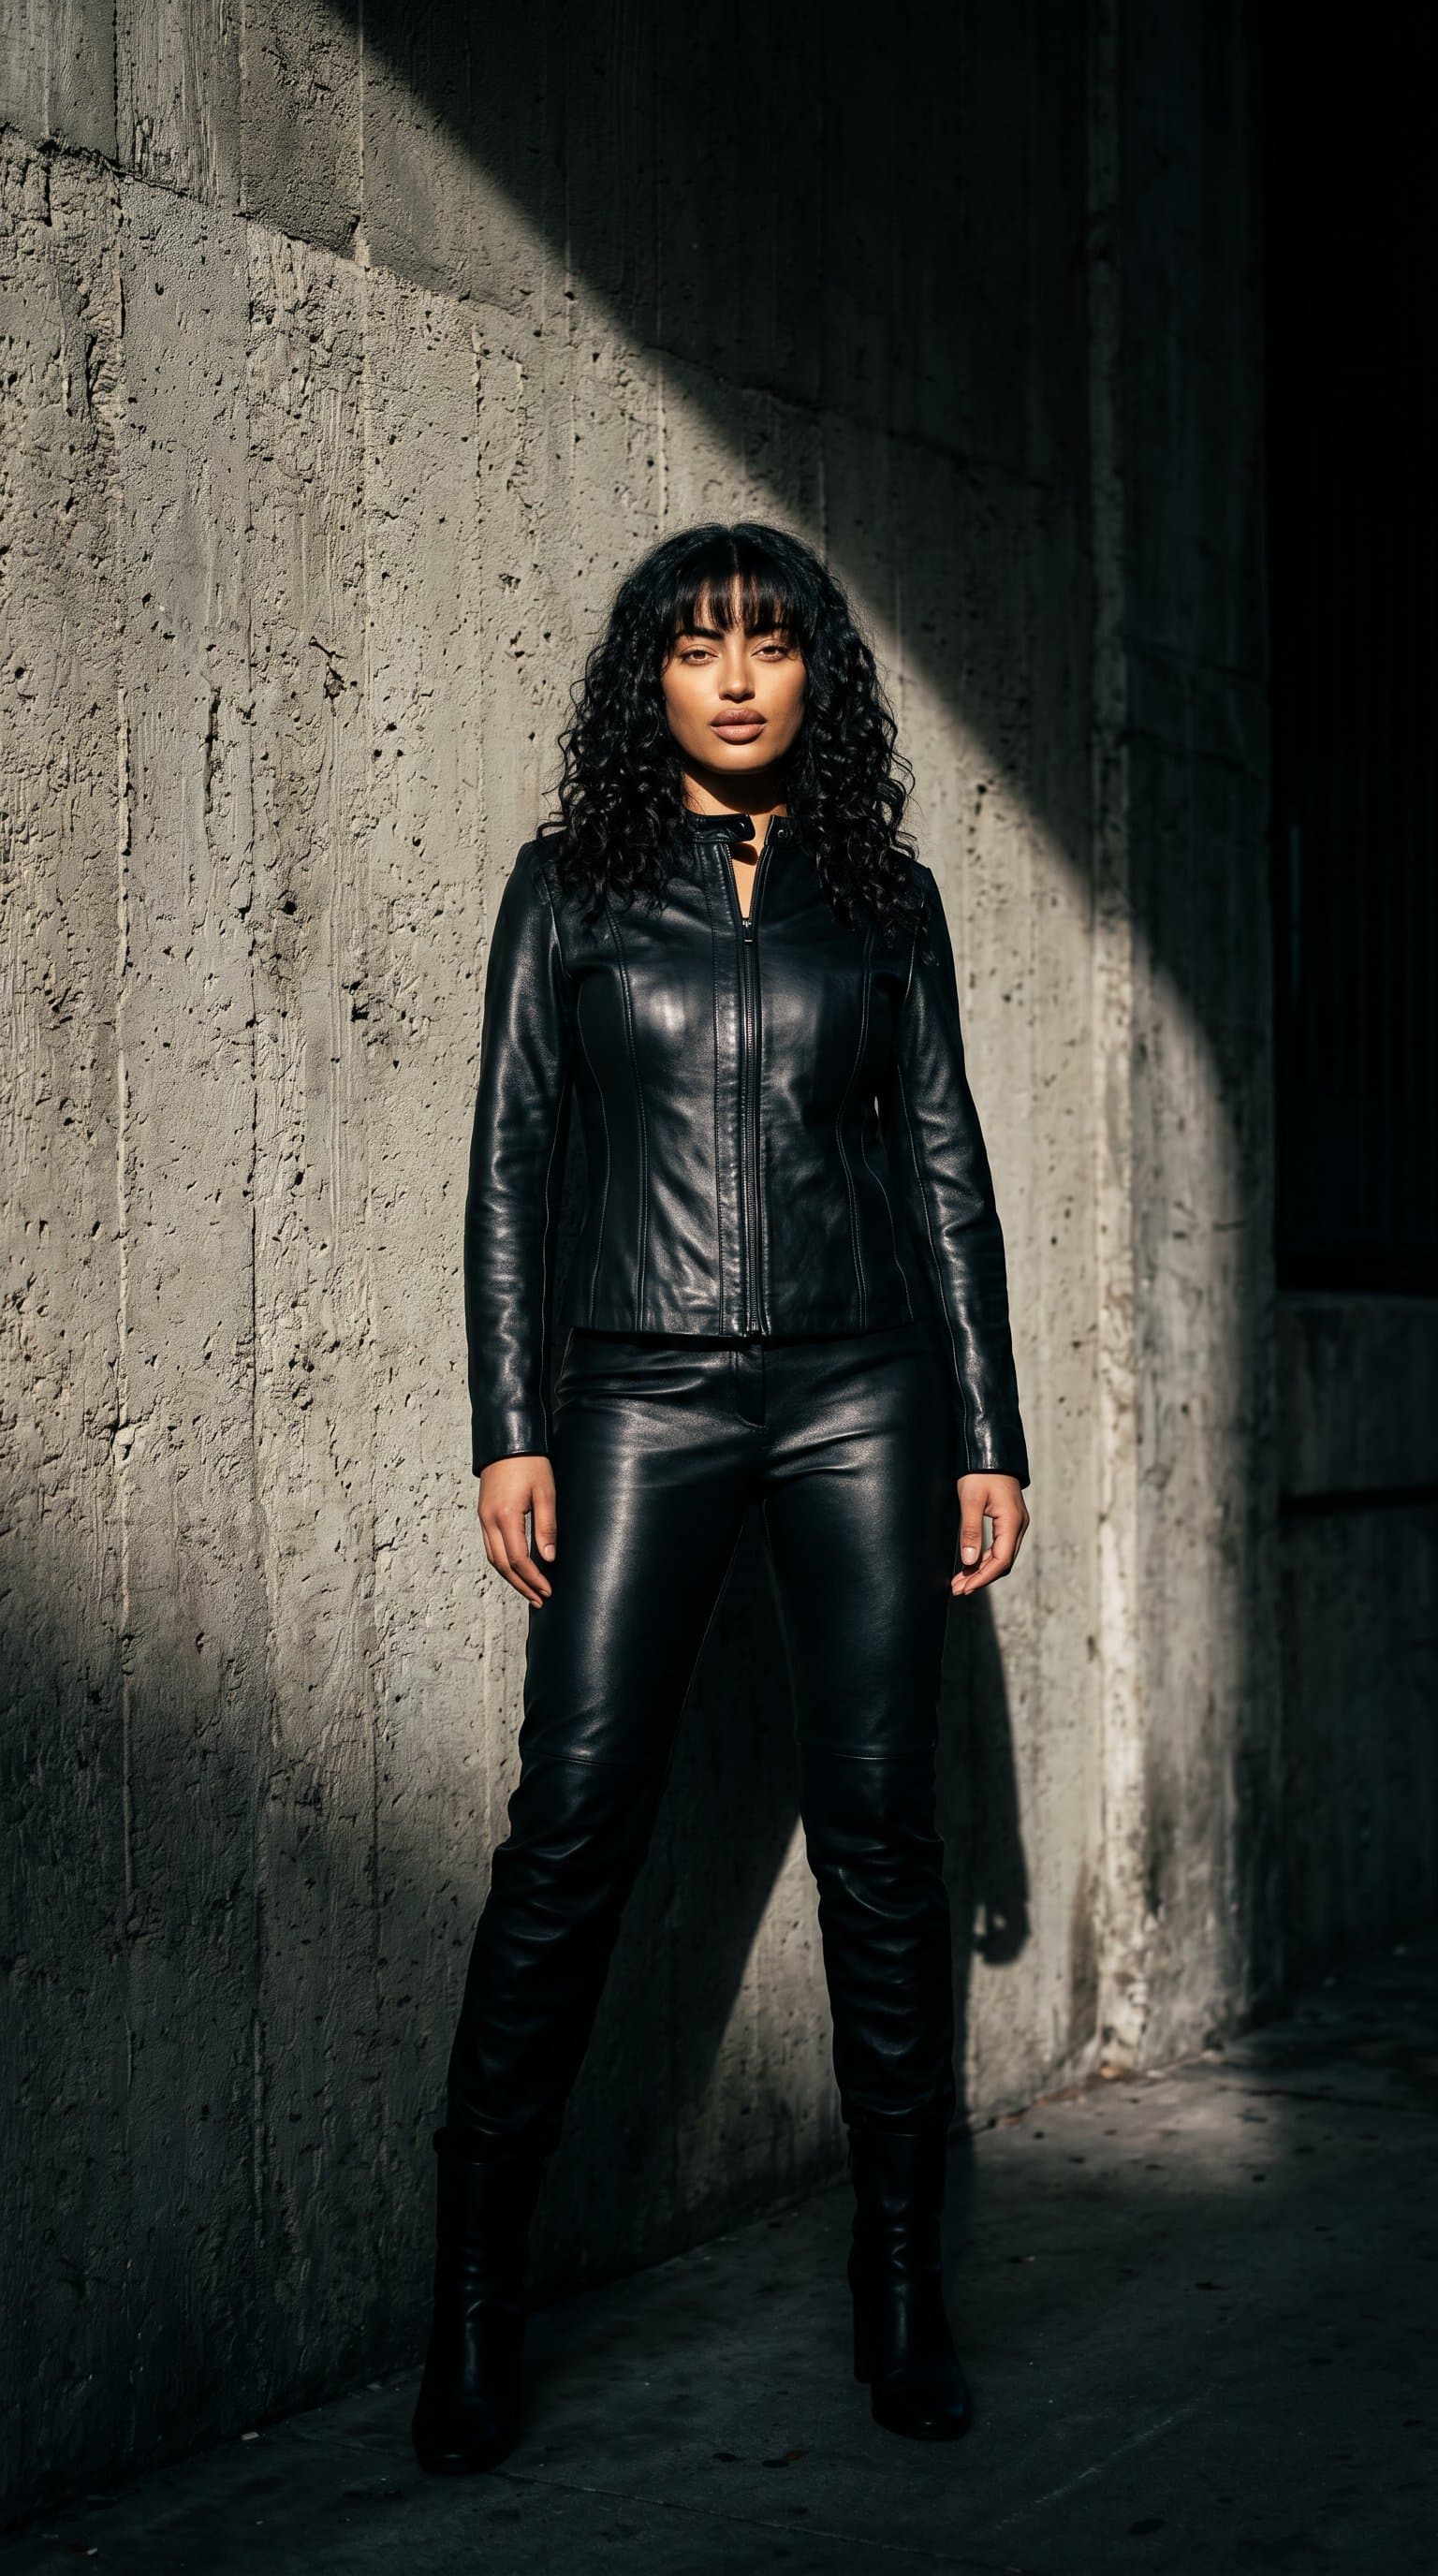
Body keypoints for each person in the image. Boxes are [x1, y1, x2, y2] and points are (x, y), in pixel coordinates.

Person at [412, 520, 1031, 2475]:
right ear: (653, 680)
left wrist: (987, 1430)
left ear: (816, 674)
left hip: (864, 1391)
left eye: (772, 643)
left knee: (881, 1838)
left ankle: (903, 2282)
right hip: (638, 1389)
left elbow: (946, 1166)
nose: (740, 677)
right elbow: (513, 1161)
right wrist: (511, 1424)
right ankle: (475, 2296)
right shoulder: (571, 890)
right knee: (573, 1826)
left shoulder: (886, 897)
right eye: (700, 647)